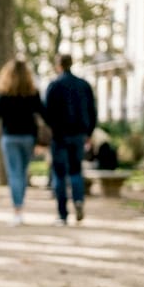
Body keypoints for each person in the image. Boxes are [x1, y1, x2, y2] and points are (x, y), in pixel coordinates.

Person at [0, 59, 44, 226]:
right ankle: (20, 207)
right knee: (22, 172)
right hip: (28, 138)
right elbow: (43, 113)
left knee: (14, 173)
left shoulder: (4, 94)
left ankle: (17, 210)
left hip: (10, 137)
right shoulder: (33, 93)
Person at [42, 53, 97, 225]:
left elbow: (46, 113)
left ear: (58, 65)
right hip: (79, 134)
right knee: (75, 170)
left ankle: (62, 214)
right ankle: (79, 200)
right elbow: (92, 110)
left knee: (59, 174)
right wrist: (89, 132)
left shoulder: (54, 85)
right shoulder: (84, 85)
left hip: (59, 136)